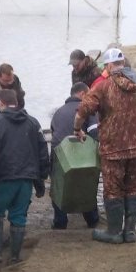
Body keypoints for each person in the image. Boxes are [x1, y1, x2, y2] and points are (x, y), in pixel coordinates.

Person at [74, 48, 136, 244]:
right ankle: (129, 231)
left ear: (109, 65)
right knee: (134, 188)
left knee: (113, 190)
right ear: (123, 63)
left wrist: (77, 129)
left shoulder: (103, 87)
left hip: (113, 150)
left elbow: (82, 111)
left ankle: (114, 232)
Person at [0, 89, 49, 264]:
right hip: (26, 179)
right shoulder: (33, 123)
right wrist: (41, 178)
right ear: (17, 103)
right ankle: (14, 256)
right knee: (19, 216)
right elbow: (43, 152)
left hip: (2, 177)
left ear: (0, 104)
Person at [50, 82, 99, 229]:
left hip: (59, 156)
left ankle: (60, 221)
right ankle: (92, 219)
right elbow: (95, 133)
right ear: (82, 94)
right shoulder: (87, 110)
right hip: (80, 157)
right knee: (87, 185)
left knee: (59, 186)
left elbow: (54, 134)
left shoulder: (58, 112)